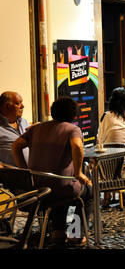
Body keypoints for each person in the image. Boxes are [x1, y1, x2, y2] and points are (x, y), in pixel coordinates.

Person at [12, 97, 93, 245]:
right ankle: (75, 235)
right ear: (74, 115)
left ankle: (58, 232)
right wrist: (79, 173)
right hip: (59, 188)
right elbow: (77, 146)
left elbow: (16, 146)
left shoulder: (37, 128)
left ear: (52, 112)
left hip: (37, 189)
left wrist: (24, 169)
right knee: (86, 192)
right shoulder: (72, 129)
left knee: (59, 194)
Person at [0, 91, 30, 167]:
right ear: (7, 106)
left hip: (32, 173)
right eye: (18, 103)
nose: (23, 106)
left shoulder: (23, 122)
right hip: (10, 175)